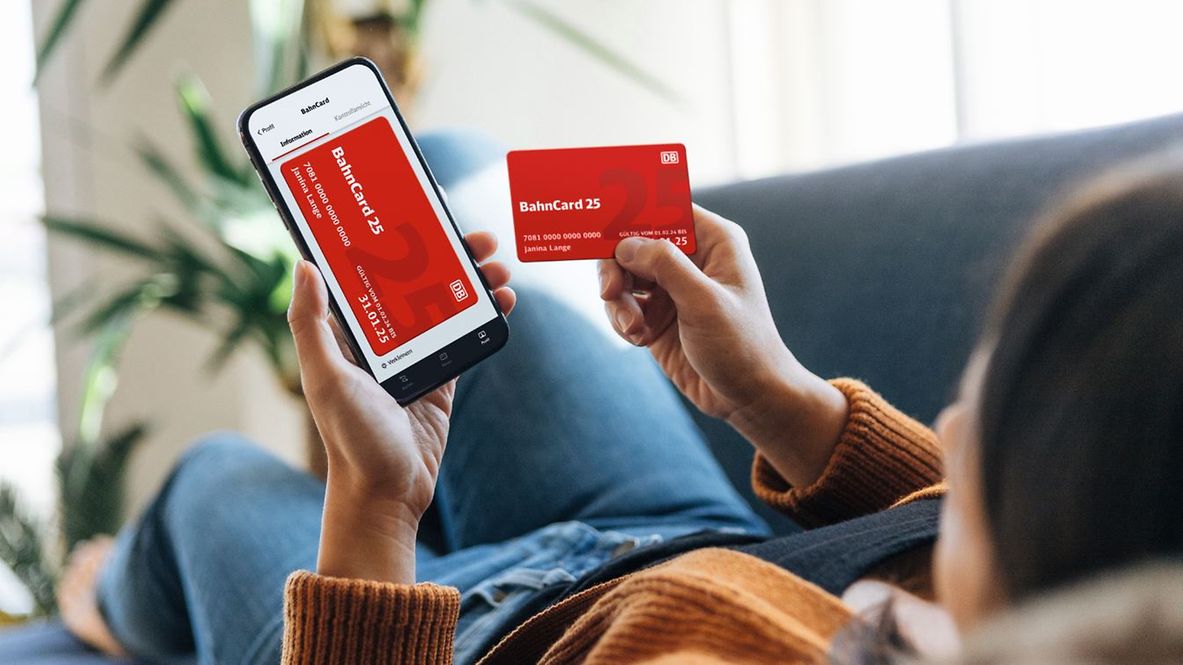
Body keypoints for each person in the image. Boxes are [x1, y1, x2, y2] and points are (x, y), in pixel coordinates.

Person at [56, 155, 1183, 664]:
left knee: (213, 477)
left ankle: (118, 603)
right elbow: (939, 518)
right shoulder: (1103, 587)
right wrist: (773, 395)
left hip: (476, 635)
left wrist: (377, 504)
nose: (949, 426)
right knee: (513, 318)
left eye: (979, 424)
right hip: (699, 540)